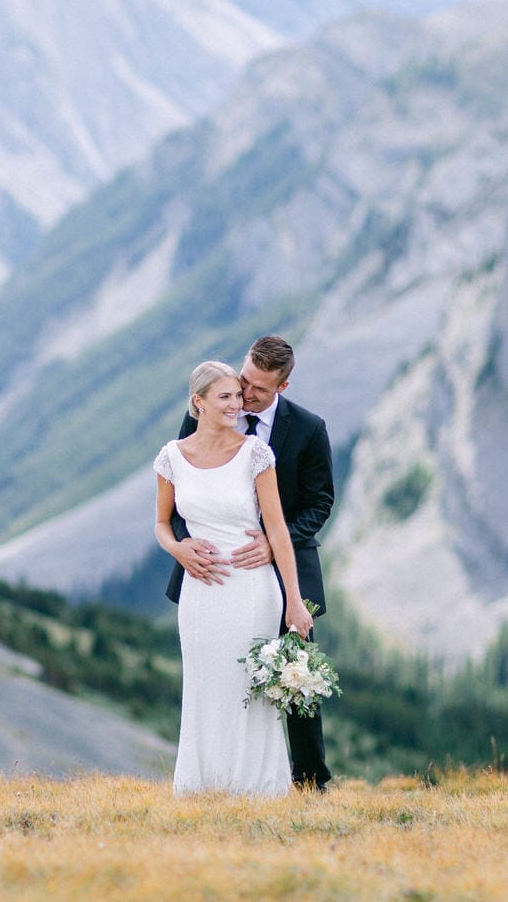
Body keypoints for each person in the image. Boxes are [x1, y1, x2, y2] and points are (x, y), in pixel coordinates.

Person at [165, 336, 335, 791]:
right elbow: (184, 487)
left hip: (284, 567)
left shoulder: (308, 428)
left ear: (283, 385)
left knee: (295, 676)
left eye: (259, 389)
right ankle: (218, 774)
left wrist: (273, 542)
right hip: (215, 569)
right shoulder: (209, 412)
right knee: (219, 673)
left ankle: (309, 780)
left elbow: (321, 503)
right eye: (244, 381)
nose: (246, 395)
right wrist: (184, 546)